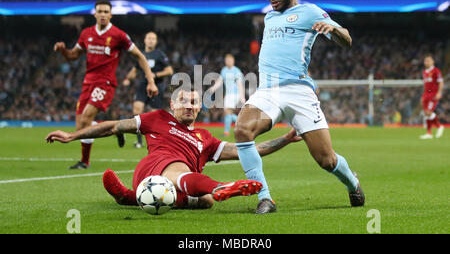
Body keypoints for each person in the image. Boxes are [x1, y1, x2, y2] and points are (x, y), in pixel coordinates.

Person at [233, 0, 365, 214]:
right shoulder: (269, 18)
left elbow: (346, 39)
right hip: (267, 91)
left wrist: (334, 30)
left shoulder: (309, 12)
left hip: (299, 92)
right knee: (242, 130)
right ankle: (265, 198)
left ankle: (352, 182)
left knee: (326, 160)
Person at [46, 89, 302, 209]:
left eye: (194, 102)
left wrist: (285, 139)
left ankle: (128, 197)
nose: (189, 106)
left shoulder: (206, 139)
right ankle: (218, 186)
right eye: (183, 101)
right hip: (154, 169)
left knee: (206, 203)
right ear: (172, 104)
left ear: (200, 107)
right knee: (179, 170)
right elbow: (112, 127)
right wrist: (71, 136)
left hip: (181, 187)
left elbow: (246, 149)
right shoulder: (156, 118)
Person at [53, 0, 158, 170]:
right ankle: (115, 131)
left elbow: (140, 56)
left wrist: (151, 81)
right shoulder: (86, 33)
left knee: (87, 118)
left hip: (105, 83)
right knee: (81, 127)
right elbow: (73, 55)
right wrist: (63, 50)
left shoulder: (118, 35)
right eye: (100, 11)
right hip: (88, 82)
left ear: (111, 15)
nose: (102, 14)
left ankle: (86, 160)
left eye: (106, 11)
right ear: (94, 14)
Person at [123, 31, 174, 148]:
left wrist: (155, 75)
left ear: (156, 41)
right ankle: (139, 141)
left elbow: (169, 70)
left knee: (154, 115)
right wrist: (128, 78)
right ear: (145, 40)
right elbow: (135, 69)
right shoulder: (140, 55)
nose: (151, 40)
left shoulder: (159, 54)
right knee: (137, 109)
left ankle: (156, 140)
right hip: (142, 85)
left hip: (156, 86)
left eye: (153, 39)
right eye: (149, 38)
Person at [207, 54, 246, 136]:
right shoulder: (224, 70)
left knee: (227, 112)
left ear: (233, 61)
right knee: (228, 113)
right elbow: (220, 81)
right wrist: (213, 88)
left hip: (235, 94)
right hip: (228, 95)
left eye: (230, 60)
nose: (229, 62)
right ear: (225, 61)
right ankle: (243, 124)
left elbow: (240, 84)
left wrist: (242, 96)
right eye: (227, 60)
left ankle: (228, 131)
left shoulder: (236, 71)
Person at [419, 54, 444, 139]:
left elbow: (441, 82)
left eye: (429, 60)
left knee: (429, 112)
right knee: (426, 113)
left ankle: (439, 126)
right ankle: (429, 133)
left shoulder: (436, 71)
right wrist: (423, 95)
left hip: (433, 94)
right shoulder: (424, 72)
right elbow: (425, 84)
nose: (427, 62)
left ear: (433, 61)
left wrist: (439, 92)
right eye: (425, 60)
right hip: (426, 94)